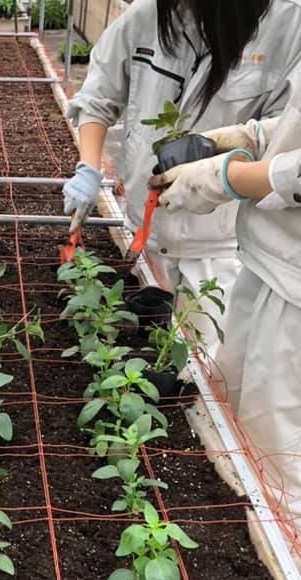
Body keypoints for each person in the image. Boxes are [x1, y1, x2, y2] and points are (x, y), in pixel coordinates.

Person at [63, 0, 301, 359]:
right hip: (143, 231)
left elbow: (285, 151)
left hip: (222, 250)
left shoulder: (288, 25)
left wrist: (222, 171)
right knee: (140, 350)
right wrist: (88, 169)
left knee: (208, 366)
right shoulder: (146, 16)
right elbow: (97, 98)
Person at [148, 80, 301, 535]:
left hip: (296, 290)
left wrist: (229, 177)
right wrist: (248, 137)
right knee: (237, 420)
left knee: (282, 462)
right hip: (272, 259)